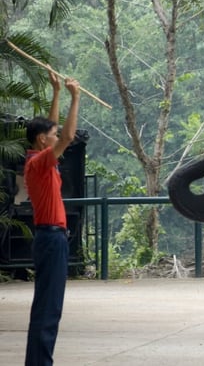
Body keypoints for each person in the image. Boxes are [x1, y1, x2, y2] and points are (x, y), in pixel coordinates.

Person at [24, 69, 80, 366]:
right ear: (42, 140)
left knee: (46, 307)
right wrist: (75, 97)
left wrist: (57, 92)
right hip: (50, 239)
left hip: (50, 238)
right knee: (48, 309)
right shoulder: (41, 162)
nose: (56, 136)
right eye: (51, 135)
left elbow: (55, 129)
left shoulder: (39, 159)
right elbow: (68, 135)